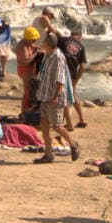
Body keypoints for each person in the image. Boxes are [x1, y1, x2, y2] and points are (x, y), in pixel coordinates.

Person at [33, 33, 79, 163]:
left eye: (44, 42)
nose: (42, 44)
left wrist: (56, 96)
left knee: (57, 126)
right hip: (45, 95)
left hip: (54, 97)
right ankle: (48, 154)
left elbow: (60, 79)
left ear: (48, 44)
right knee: (44, 124)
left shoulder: (58, 57)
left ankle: (72, 145)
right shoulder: (48, 55)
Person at [60, 29, 88, 128]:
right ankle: (81, 119)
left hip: (61, 72)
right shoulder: (81, 46)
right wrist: (76, 79)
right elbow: (82, 66)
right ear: (80, 37)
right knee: (73, 95)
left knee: (64, 97)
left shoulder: (63, 40)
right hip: (72, 73)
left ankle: (68, 124)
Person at [14, 26, 40, 111]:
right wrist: (36, 53)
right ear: (27, 38)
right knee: (27, 91)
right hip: (24, 69)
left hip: (30, 69)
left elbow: (35, 46)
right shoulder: (22, 46)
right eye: (33, 39)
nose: (34, 41)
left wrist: (40, 48)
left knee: (32, 90)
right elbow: (26, 60)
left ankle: (29, 109)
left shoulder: (29, 43)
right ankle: (24, 110)